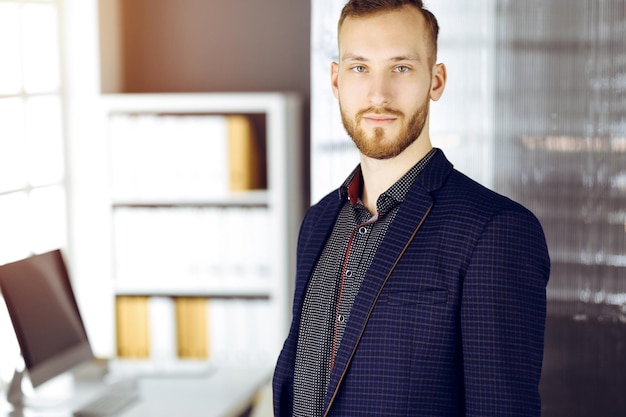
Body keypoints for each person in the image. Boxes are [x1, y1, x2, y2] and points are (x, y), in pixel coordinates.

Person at [273, 0, 551, 416]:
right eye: (359, 68)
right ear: (336, 80)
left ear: (435, 81)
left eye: (400, 68)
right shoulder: (317, 222)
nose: (378, 95)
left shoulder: (496, 230)